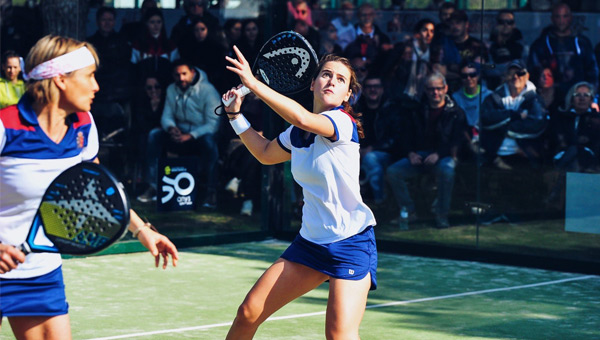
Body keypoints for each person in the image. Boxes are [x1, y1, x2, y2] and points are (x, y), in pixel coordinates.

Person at [0, 35, 178, 340]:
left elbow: (95, 187)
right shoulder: (7, 126)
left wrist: (142, 230)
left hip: (40, 269)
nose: (96, 86)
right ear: (60, 80)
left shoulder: (83, 125)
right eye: (89, 76)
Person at [222, 49, 377, 339]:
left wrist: (254, 84)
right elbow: (266, 154)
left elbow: (305, 118)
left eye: (341, 79)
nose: (332, 81)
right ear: (313, 83)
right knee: (248, 313)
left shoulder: (342, 123)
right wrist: (235, 115)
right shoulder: (297, 132)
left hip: (351, 245)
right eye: (326, 74)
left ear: (347, 95)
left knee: (339, 336)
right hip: (310, 245)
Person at [386, 72, 467, 229]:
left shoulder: (456, 112)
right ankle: (409, 211)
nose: (435, 92)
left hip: (443, 156)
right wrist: (410, 153)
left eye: (438, 88)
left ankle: (441, 214)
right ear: (425, 90)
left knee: (448, 170)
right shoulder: (416, 109)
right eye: (431, 89)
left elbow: (457, 141)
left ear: (446, 89)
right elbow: (405, 135)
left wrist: (439, 154)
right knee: (393, 172)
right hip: (420, 156)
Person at [138, 60, 221, 208]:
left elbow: (214, 124)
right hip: (179, 134)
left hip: (199, 136)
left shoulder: (208, 91)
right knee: (154, 135)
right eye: (177, 75)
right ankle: (152, 186)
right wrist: (171, 128)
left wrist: (191, 135)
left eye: (184, 74)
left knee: (210, 142)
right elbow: (166, 116)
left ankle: (211, 191)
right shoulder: (171, 89)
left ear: (193, 73)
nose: (181, 78)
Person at [480, 60, 548, 170]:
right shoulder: (494, 97)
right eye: (511, 73)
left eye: (520, 73)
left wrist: (501, 127)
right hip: (495, 155)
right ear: (506, 76)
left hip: (525, 155)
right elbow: (486, 119)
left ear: (527, 76)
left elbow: (537, 124)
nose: (516, 77)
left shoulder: (535, 99)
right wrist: (514, 115)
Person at [527, 3, 598, 97]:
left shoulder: (582, 43)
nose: (561, 21)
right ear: (552, 18)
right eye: (557, 16)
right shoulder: (541, 44)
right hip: (550, 98)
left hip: (577, 98)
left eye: (565, 16)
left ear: (571, 18)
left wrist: (591, 95)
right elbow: (533, 72)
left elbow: (593, 72)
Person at [487, 10, 524, 90]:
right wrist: (498, 36)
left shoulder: (521, 45)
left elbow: (522, 66)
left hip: (515, 84)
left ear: (514, 25)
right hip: (492, 85)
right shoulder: (488, 45)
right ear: (496, 24)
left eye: (509, 22)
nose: (505, 25)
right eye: (501, 22)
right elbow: (487, 68)